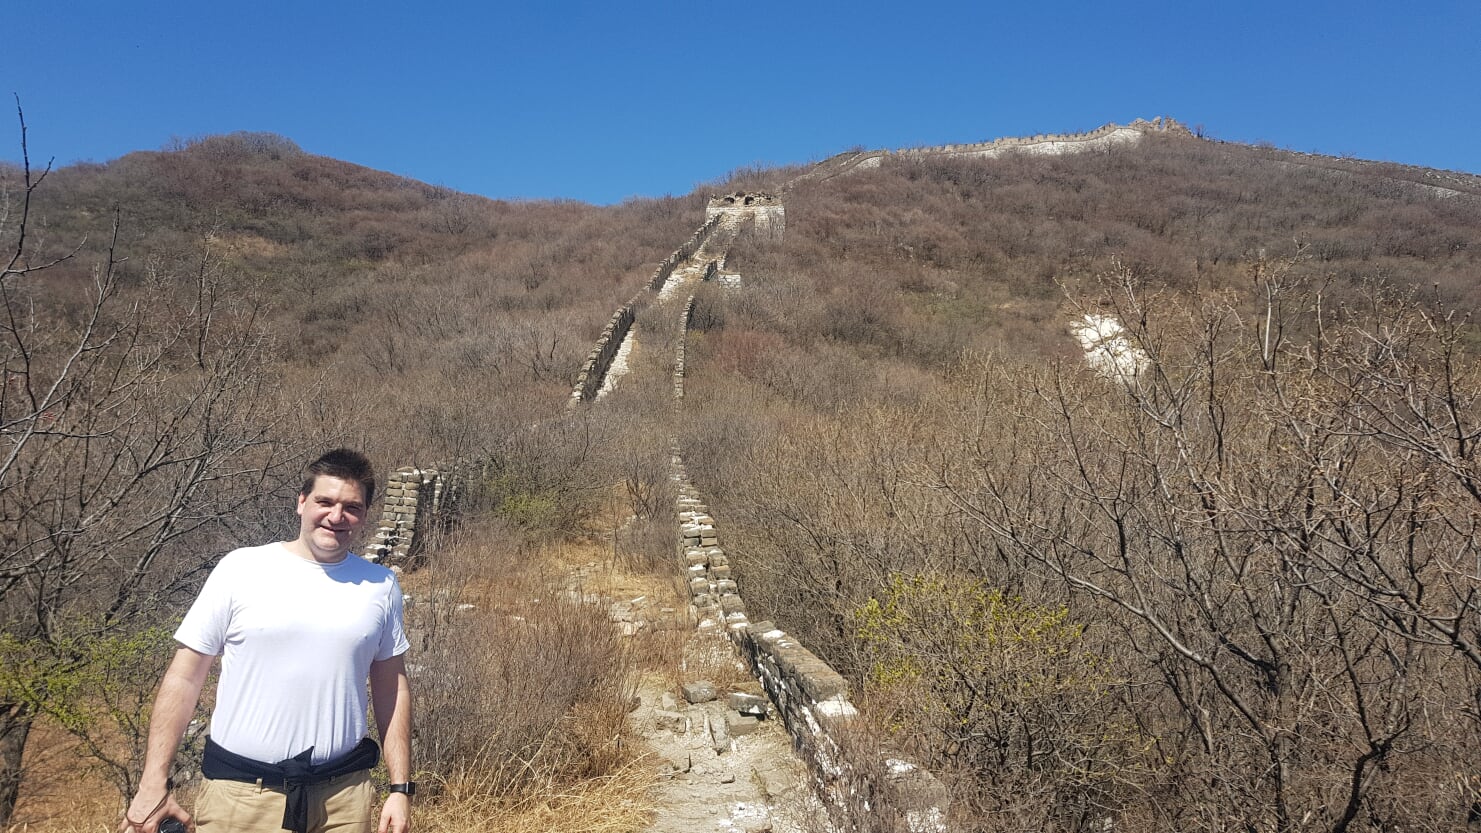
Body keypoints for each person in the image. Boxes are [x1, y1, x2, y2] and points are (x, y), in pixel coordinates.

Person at [120, 450, 413, 833]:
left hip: (342, 800)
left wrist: (400, 789)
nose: (336, 516)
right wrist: (152, 783)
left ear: (364, 515)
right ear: (302, 502)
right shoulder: (242, 569)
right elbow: (185, 678)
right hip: (241, 798)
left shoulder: (380, 585)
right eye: (324, 501)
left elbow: (392, 687)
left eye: (351, 507)